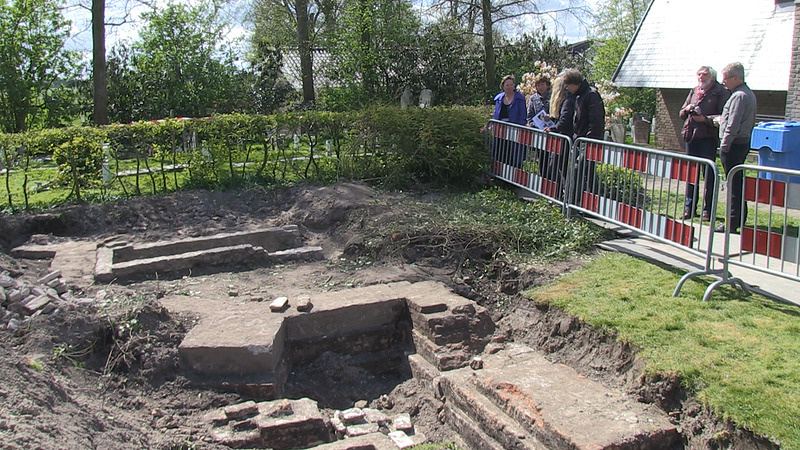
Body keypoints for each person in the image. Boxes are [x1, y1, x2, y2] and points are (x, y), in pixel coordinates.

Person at [679, 66, 730, 221]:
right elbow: (681, 113)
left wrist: (705, 119)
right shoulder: (694, 91)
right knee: (691, 174)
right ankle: (689, 208)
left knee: (708, 174)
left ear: (712, 77)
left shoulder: (720, 92)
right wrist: (688, 109)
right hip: (691, 137)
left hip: (708, 138)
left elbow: (724, 116)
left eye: (704, 74)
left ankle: (708, 209)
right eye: (699, 74)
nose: (701, 77)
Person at [715, 62, 757, 234]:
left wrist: (724, 145)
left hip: (734, 145)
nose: (723, 82)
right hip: (740, 143)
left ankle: (731, 222)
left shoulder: (739, 96)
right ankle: (738, 219)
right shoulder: (746, 94)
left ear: (736, 78)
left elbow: (733, 124)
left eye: (725, 78)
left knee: (733, 184)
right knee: (736, 183)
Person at [563, 69, 605, 197]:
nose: (567, 89)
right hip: (580, 139)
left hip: (587, 141)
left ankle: (576, 202)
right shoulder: (580, 95)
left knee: (579, 170)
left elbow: (596, 121)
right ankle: (587, 203)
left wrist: (589, 141)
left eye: (567, 86)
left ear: (573, 84)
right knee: (587, 173)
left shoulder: (590, 95)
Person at [543, 76, 576, 189]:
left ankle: (560, 193)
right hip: (562, 136)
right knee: (559, 166)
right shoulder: (567, 100)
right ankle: (561, 192)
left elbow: (565, 120)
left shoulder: (567, 101)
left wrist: (553, 129)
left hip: (564, 137)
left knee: (557, 166)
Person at [490, 75, 528, 167]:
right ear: (503, 86)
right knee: (500, 154)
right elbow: (496, 114)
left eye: (511, 85)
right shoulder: (499, 98)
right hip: (500, 131)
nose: (509, 87)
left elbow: (522, 115)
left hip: (514, 130)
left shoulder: (520, 98)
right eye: (507, 85)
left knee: (514, 155)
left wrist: (520, 128)